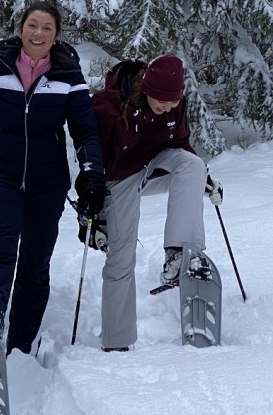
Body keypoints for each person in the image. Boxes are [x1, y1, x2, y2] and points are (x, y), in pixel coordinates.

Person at [0, 1, 107, 355]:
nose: (38, 34)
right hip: (0, 175)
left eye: (47, 28)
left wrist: (91, 175)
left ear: (56, 36)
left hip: (48, 183)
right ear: (21, 27)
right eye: (32, 25)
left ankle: (22, 347)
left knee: (34, 264)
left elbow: (85, 131)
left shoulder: (69, 77)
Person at [91, 55, 223, 351]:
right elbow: (90, 161)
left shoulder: (177, 105)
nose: (168, 107)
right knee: (121, 257)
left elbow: (182, 145)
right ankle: (116, 340)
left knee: (192, 165)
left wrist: (202, 177)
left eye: (174, 101)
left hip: (156, 166)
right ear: (146, 88)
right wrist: (94, 214)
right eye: (162, 101)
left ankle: (180, 254)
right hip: (117, 177)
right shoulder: (107, 107)